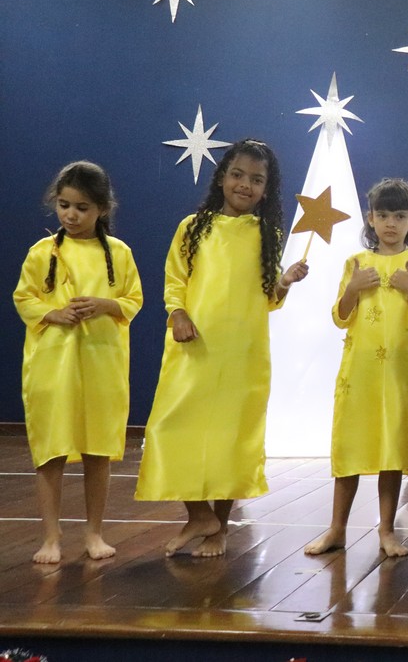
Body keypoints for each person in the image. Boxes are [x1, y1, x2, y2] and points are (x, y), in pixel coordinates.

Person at [135, 139, 309, 557]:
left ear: (266, 189)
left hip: (243, 352)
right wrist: (178, 314)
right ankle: (199, 515)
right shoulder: (193, 227)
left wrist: (285, 282)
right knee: (172, 427)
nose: (245, 185)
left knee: (232, 437)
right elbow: (175, 280)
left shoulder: (267, 234)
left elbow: (267, 297)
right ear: (221, 178)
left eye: (256, 180)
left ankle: (220, 527)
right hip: (194, 345)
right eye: (237, 175)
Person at [305, 178, 408, 558]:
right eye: (383, 215)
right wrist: (353, 288)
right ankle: (337, 528)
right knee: (350, 446)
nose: (390, 223)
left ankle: (386, 529)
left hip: (405, 374)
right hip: (361, 374)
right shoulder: (356, 263)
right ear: (370, 218)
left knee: (392, 450)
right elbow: (340, 317)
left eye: (399, 216)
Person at [13, 162, 143, 564]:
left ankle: (94, 533)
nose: (70, 215)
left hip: (101, 366)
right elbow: (24, 297)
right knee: (51, 450)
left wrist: (105, 304)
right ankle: (51, 536)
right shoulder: (42, 252)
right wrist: (53, 313)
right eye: (64, 205)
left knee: (97, 450)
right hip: (53, 367)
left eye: (82, 207)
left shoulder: (119, 253)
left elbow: (133, 299)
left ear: (102, 209)